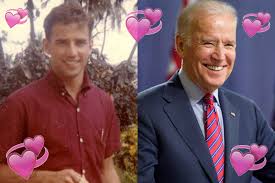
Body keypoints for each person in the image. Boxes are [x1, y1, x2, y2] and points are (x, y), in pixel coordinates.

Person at [138, 0, 275, 183]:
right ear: (180, 45)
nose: (220, 56)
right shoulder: (146, 110)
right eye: (208, 43)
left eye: (228, 45)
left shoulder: (248, 112)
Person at [0, 2, 121, 183]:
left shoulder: (104, 102)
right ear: (46, 46)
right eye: (62, 43)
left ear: (90, 45)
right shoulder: (20, 104)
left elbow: (107, 169)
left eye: (80, 42)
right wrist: (46, 178)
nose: (72, 52)